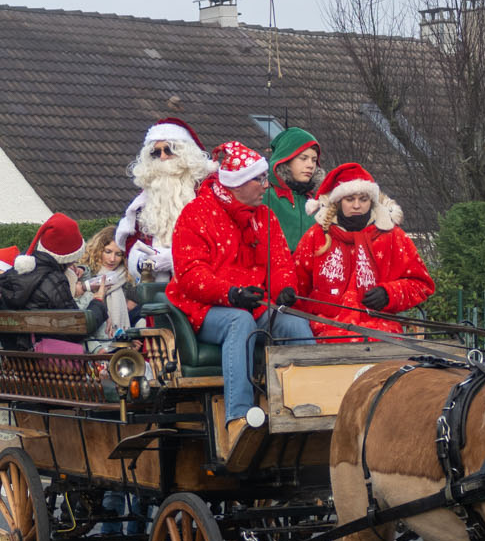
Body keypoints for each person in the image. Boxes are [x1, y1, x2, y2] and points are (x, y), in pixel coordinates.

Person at [168, 141, 316, 450]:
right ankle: (239, 419)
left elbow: (279, 263)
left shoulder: (264, 216)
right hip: (205, 307)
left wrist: (286, 289)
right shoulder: (195, 215)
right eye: (259, 179)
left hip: (253, 302)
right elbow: (191, 275)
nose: (266, 185)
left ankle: (308, 408)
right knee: (240, 323)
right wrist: (231, 294)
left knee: (294, 323)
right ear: (236, 184)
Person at [286, 161, 434, 341]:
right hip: (325, 331)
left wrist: (389, 294)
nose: (357, 206)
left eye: (363, 199)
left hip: (381, 333)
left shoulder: (393, 236)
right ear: (338, 202)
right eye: (350, 200)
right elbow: (295, 284)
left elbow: (421, 284)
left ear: (371, 201)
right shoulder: (316, 236)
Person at [116, 119, 215, 281]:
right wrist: (141, 261)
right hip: (157, 288)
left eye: (168, 150)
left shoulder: (208, 190)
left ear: (185, 152)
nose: (162, 157)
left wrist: (176, 258)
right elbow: (133, 240)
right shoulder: (147, 196)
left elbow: (222, 241)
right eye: (155, 153)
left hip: (201, 283)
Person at [2, 214, 88, 353]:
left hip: (23, 359)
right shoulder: (54, 281)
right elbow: (77, 329)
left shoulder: (15, 276)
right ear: (67, 258)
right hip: (54, 364)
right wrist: (98, 302)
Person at [262, 127, 322, 255]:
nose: (310, 165)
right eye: (303, 158)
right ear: (286, 160)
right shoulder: (266, 198)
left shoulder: (319, 202)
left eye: (314, 160)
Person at [76, 226, 137, 341]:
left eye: (118, 254)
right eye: (108, 252)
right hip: (92, 343)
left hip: (122, 344)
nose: (112, 259)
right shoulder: (85, 275)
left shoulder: (128, 279)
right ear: (98, 250)